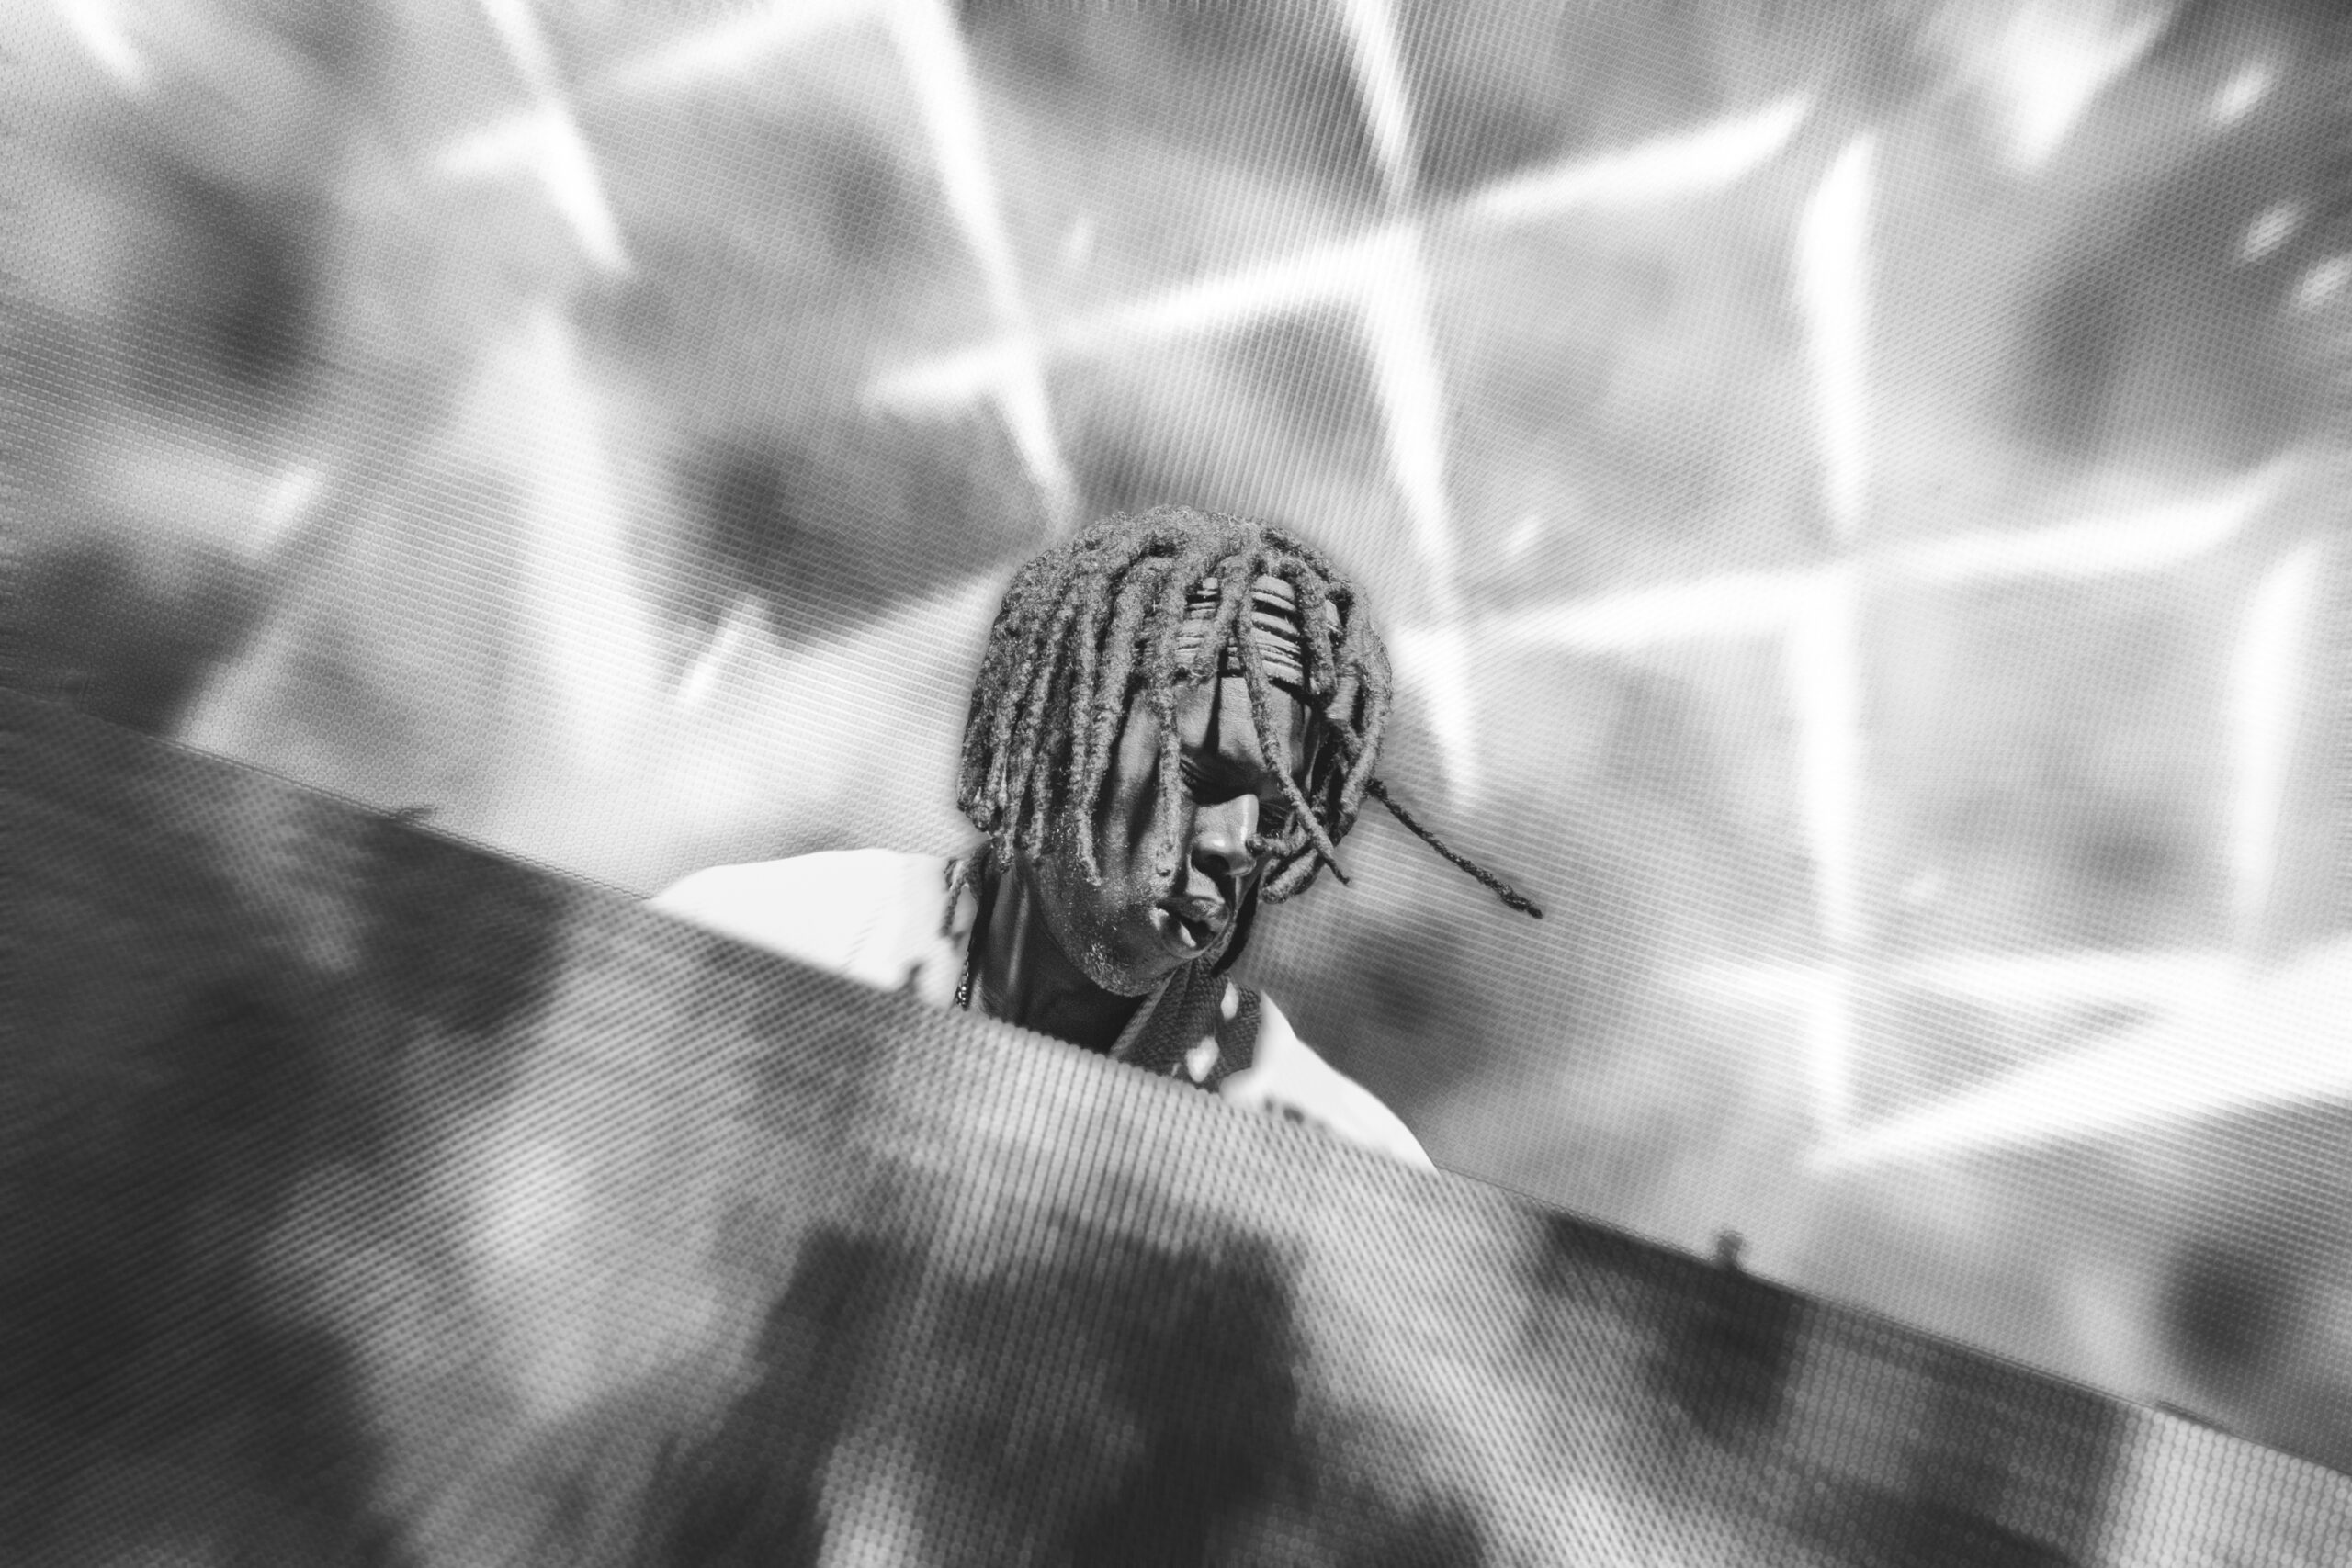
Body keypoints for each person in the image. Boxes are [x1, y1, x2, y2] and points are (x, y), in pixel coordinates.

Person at [651, 506, 1539, 1167]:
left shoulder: (1329, 1160)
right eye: (1201, 777)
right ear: (1060, 738)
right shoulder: (747, 951)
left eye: (1276, 817)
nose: (1236, 844)